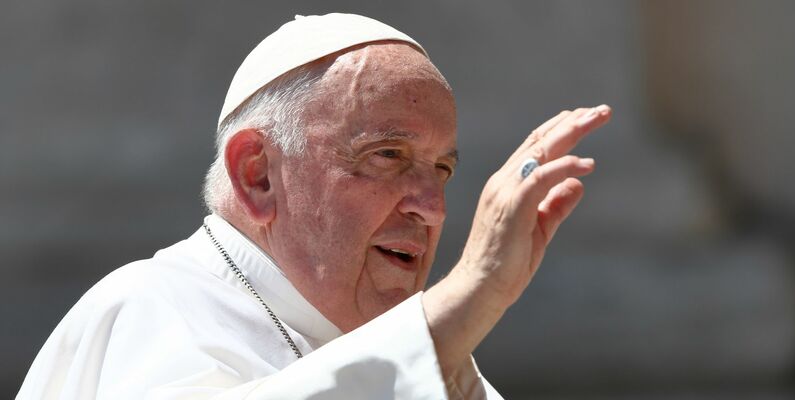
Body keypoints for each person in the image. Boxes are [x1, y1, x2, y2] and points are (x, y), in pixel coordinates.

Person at [17, 13, 611, 399]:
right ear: (257, 176)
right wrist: (473, 291)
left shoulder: (449, 369)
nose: (432, 206)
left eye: (444, 170)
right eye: (387, 155)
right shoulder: (148, 311)